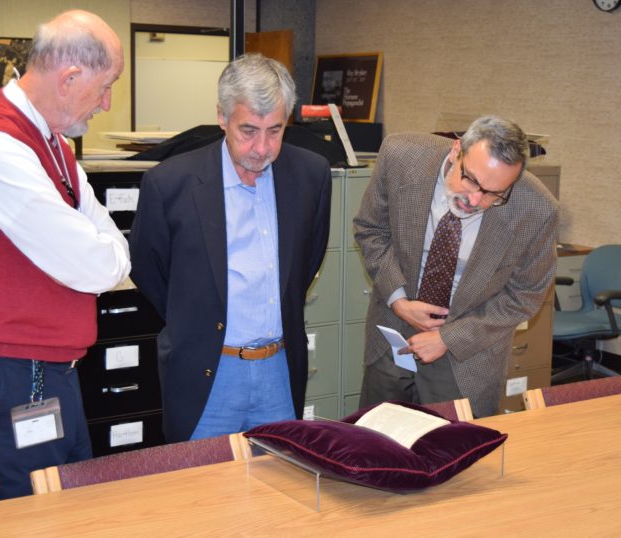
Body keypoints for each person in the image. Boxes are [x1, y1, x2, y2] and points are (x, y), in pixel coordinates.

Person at [0, 10, 130, 499]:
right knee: (19, 520)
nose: (108, 104)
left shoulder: (54, 146)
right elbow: (96, 265)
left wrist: (102, 250)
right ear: (69, 78)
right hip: (6, 379)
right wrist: (101, 251)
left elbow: (113, 248)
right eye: (106, 86)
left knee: (68, 514)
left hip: (54, 374)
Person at [129, 53, 332, 443]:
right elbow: (150, 271)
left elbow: (306, 263)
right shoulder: (170, 184)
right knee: (200, 495)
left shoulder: (311, 175)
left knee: (278, 494)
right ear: (222, 117)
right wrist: (199, 317)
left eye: (275, 131)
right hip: (207, 371)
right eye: (248, 130)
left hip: (278, 371)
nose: (262, 147)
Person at [353, 115, 559, 417]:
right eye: (470, 179)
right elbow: (371, 230)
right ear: (456, 151)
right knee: (376, 447)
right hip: (392, 338)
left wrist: (448, 338)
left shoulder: (537, 209)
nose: (474, 199)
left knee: (454, 454)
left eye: (494, 194)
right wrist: (399, 301)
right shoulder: (400, 157)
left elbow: (526, 295)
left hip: (468, 356)